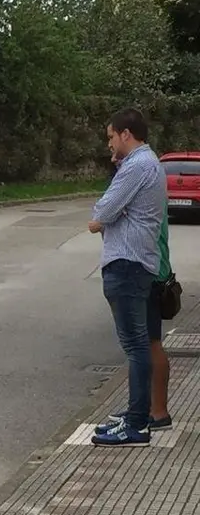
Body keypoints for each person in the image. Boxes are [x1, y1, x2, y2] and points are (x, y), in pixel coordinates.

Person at [89, 109, 167, 447]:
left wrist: (103, 217)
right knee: (140, 343)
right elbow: (114, 209)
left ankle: (136, 425)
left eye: (111, 136)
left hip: (127, 264)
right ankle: (137, 414)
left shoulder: (136, 166)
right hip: (137, 264)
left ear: (125, 133)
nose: (109, 143)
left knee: (136, 346)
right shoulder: (148, 163)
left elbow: (103, 211)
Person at [97, 152, 174, 433]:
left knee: (147, 343)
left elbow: (104, 216)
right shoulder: (152, 182)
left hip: (151, 273)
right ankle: (145, 409)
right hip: (154, 270)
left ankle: (154, 412)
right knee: (146, 342)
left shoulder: (143, 187)